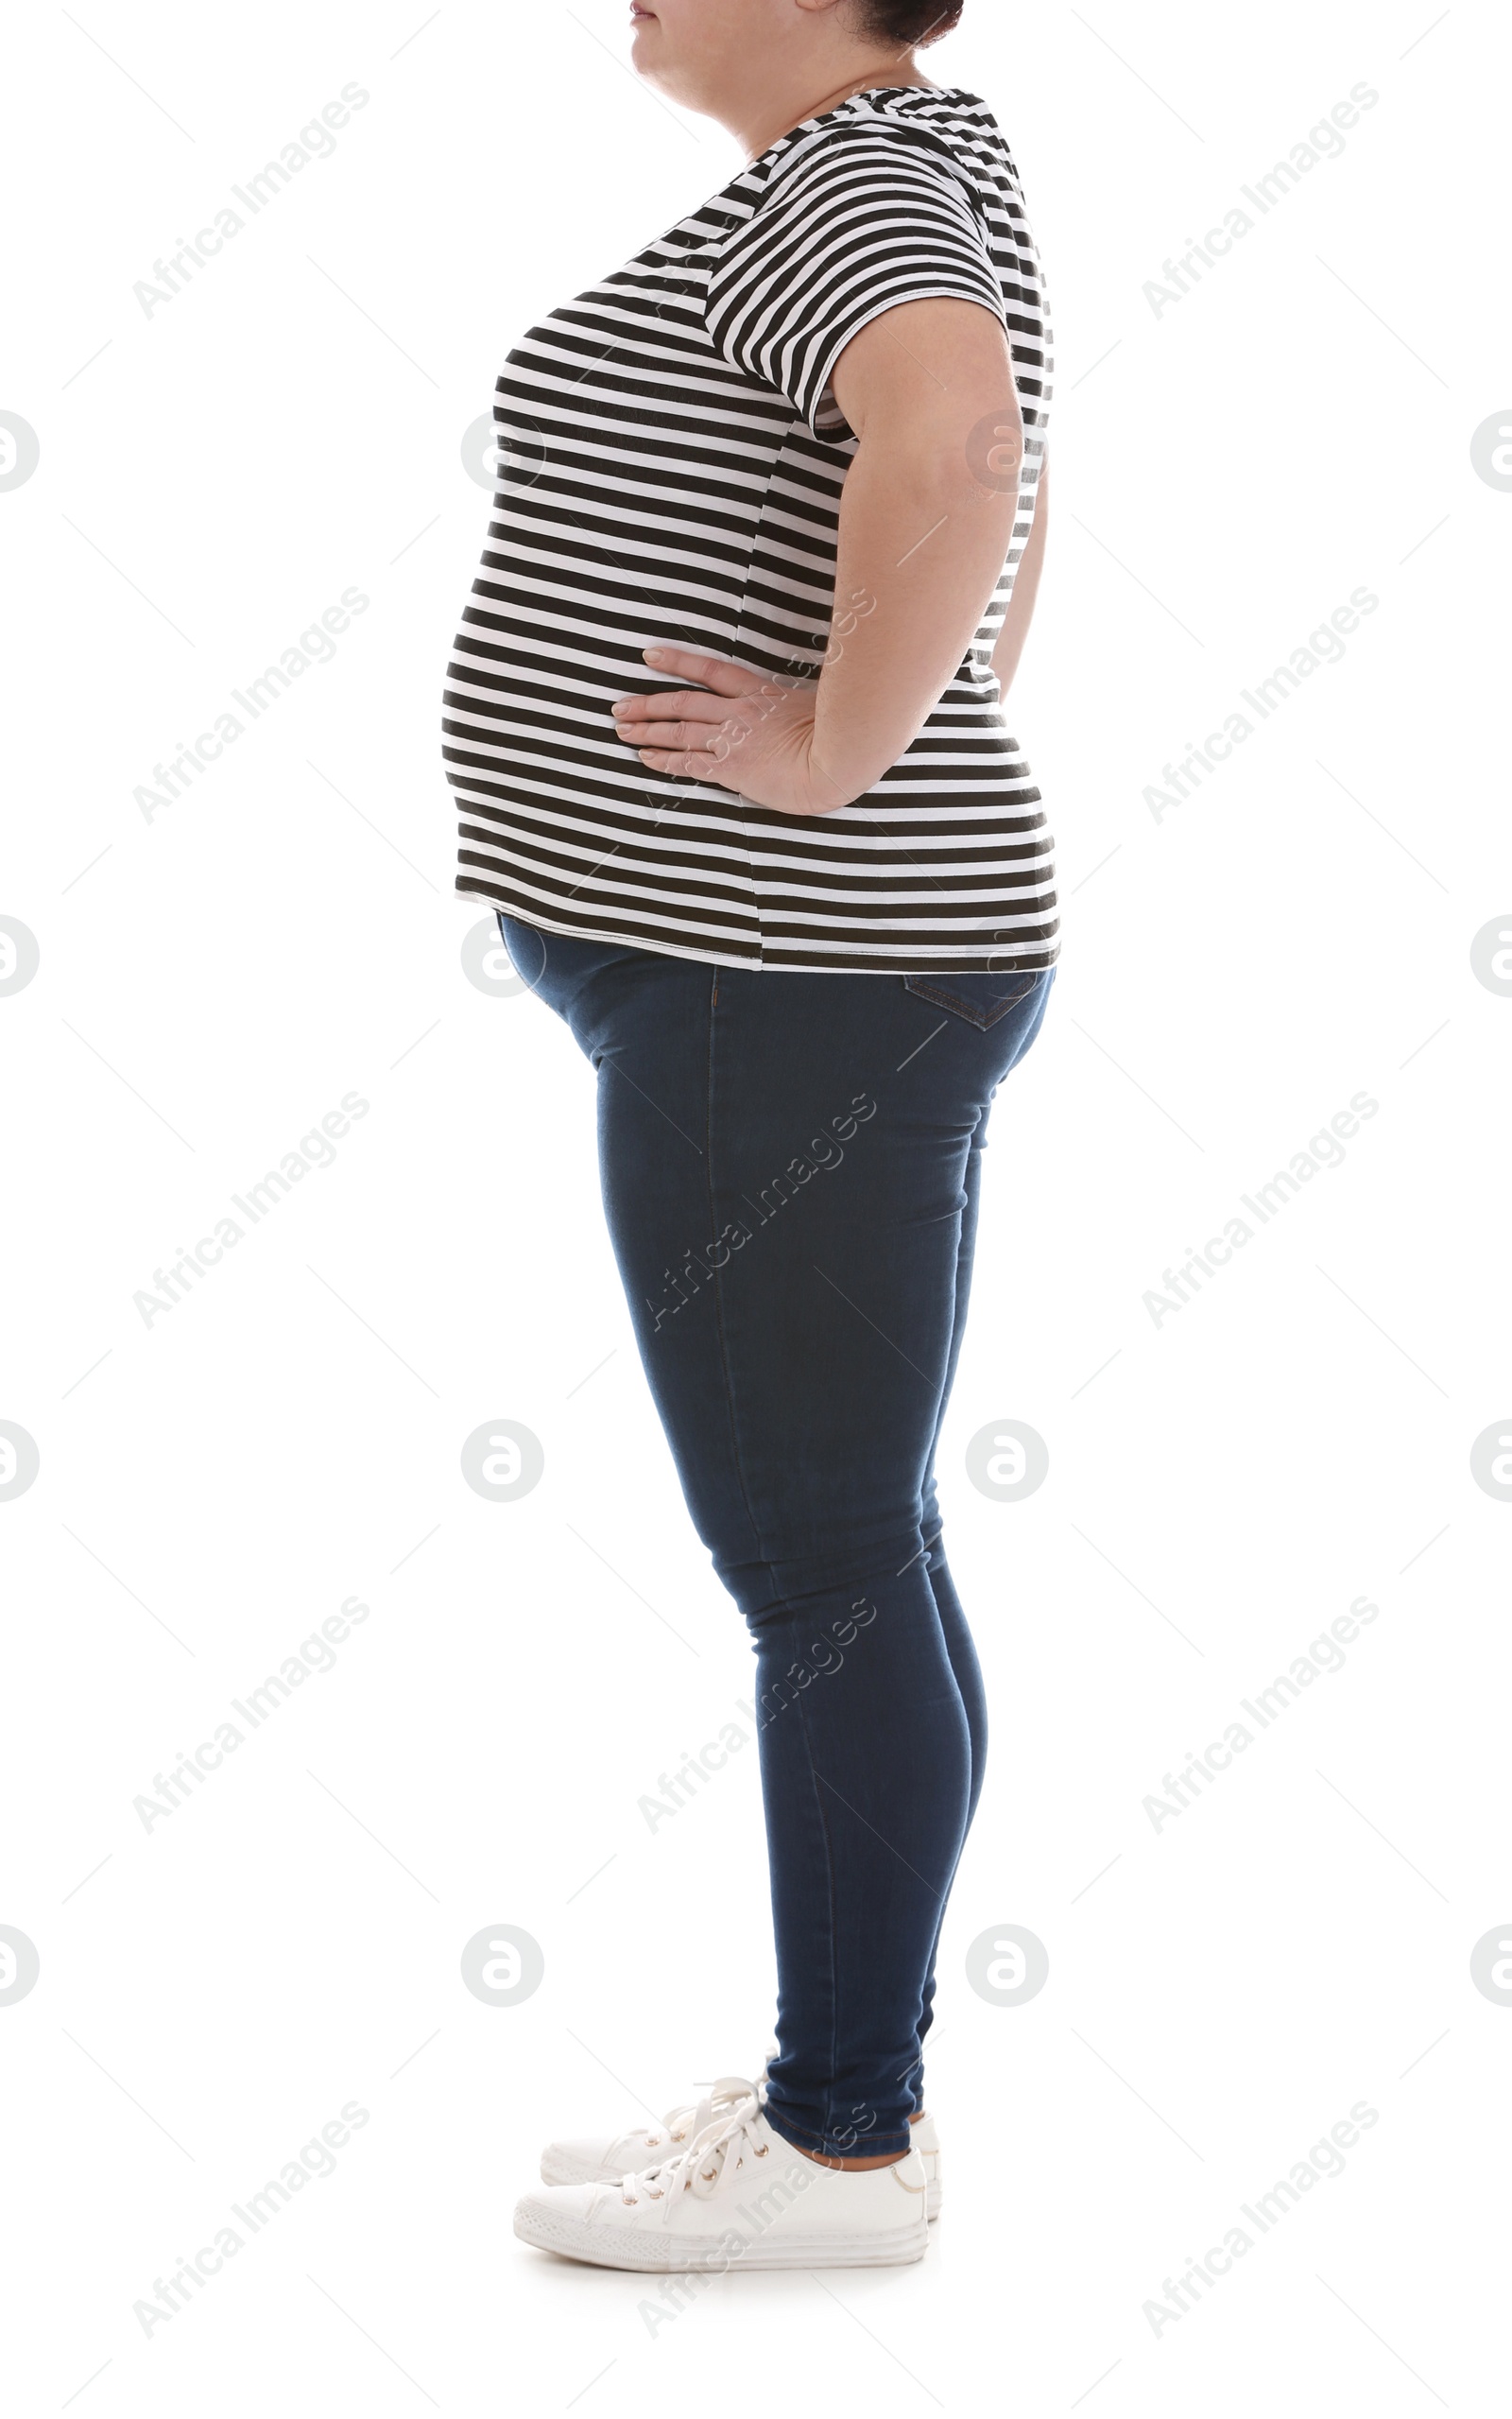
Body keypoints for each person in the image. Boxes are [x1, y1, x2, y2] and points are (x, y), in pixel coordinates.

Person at [442, 0, 1057, 2272]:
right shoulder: (886, 163)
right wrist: (918, 715)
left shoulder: (858, 177)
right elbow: (995, 469)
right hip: (775, 978)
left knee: (814, 1565)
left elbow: (964, 444)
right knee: (853, 1543)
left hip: (784, 991)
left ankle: (835, 2143)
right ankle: (846, 2092)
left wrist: (835, 758)